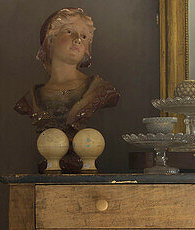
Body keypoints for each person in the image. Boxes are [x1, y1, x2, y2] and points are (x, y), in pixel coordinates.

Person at [14, 8, 119, 137]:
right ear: (51, 39)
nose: (78, 40)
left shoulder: (98, 89)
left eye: (84, 36)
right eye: (69, 32)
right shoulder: (33, 97)